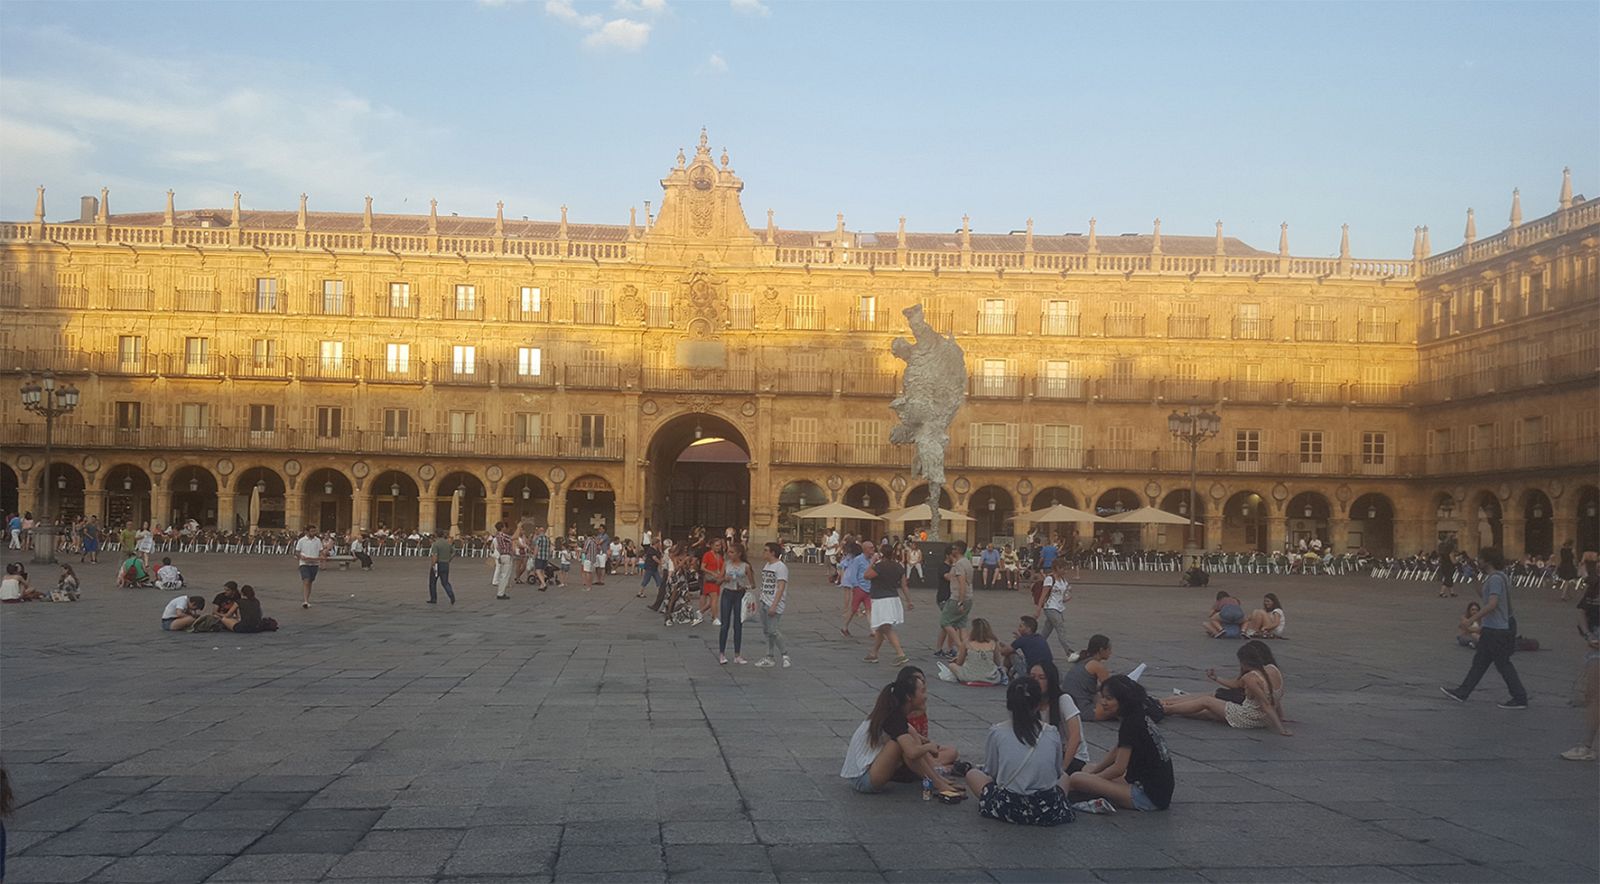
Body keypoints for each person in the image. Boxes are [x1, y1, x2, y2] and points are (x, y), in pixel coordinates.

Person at [963, 679, 1075, 826]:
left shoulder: (997, 732)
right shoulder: (1052, 732)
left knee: (972, 774)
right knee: (1066, 777)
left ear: (1009, 704)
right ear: (1038, 705)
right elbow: (1056, 772)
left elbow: (992, 771)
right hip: (1047, 809)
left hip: (1009, 807)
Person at [1066, 675, 1175, 812]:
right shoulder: (1139, 715)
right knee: (1087, 768)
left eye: (1109, 699)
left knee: (1077, 779)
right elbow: (1117, 750)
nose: (1103, 702)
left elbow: (1119, 768)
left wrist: (1094, 779)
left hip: (1146, 797)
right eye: (1103, 697)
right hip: (1155, 791)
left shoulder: (1130, 724)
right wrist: (1095, 771)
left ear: (1123, 701)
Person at [838, 679, 964, 798]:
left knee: (908, 742)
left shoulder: (894, 714)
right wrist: (929, 747)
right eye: (922, 691)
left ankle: (939, 781)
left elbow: (915, 741)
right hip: (863, 779)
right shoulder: (894, 717)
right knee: (902, 745)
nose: (926, 696)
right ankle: (939, 783)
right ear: (909, 697)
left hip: (864, 774)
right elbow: (912, 752)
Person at [1442, 547, 1528, 709]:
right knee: (1480, 663)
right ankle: (1462, 692)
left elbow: (1492, 604)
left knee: (1502, 665)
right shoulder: (1498, 577)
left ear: (1487, 560)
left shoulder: (1495, 579)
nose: (1478, 561)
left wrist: (1471, 620)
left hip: (1496, 629)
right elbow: (1485, 596)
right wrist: (1474, 578)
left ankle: (1520, 698)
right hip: (1493, 628)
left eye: (1480, 559)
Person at [1161, 641, 1292, 736]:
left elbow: (1266, 704)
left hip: (1248, 716)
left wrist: (1281, 729)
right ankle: (1170, 707)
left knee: (1206, 701)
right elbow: (1276, 700)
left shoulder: (1251, 678)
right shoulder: (1274, 670)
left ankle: (1166, 709)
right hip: (1263, 720)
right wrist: (1280, 716)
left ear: (1245, 661)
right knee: (1207, 713)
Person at [1562, 554, 1599, 761]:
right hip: (1595, 641)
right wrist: (1587, 634)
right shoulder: (1594, 587)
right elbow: (1581, 611)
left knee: (1594, 696)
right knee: (1593, 695)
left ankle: (1587, 747)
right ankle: (1587, 746)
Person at [1032, 660, 1090, 773]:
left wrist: (1063, 768)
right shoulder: (1031, 702)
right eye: (1032, 677)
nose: (1036, 681)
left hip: (1072, 757)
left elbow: (1075, 736)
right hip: (1047, 754)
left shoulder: (1063, 700)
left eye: (1041, 678)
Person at [864, 541, 912, 667]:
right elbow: (904, 586)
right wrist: (909, 601)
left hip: (881, 599)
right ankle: (874, 653)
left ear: (881, 554)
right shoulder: (899, 567)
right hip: (893, 598)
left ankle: (900, 653)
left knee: (886, 628)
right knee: (881, 628)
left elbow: (866, 575)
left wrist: (872, 562)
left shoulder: (879, 566)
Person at [755, 541, 790, 669]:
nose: (763, 553)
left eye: (765, 550)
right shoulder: (767, 565)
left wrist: (774, 605)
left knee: (773, 630)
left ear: (773, 553)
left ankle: (785, 654)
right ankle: (769, 656)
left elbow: (781, 587)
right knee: (767, 631)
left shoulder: (780, 567)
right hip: (764, 600)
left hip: (774, 602)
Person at [1063, 634, 1114, 721]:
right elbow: (1112, 690)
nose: (1111, 652)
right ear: (1101, 650)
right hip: (1083, 710)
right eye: (1109, 649)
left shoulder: (1083, 661)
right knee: (1116, 706)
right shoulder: (1096, 665)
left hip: (1069, 707)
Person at [937, 617, 1003, 684]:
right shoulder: (993, 643)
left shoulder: (967, 642)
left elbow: (959, 662)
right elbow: (998, 662)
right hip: (990, 678)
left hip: (969, 676)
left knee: (952, 665)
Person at [717, 542, 753, 665]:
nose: (729, 554)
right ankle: (722, 653)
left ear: (739, 554)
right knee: (725, 624)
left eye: (732, 552)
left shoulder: (746, 566)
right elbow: (718, 581)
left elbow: (753, 584)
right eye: (729, 552)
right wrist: (723, 579)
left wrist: (744, 586)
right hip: (727, 593)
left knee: (738, 624)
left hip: (739, 594)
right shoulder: (726, 564)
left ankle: (737, 654)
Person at [1033, 561, 1074, 657]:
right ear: (1057, 568)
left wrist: (1066, 598)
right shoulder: (1049, 579)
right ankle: (1069, 652)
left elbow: (1061, 596)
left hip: (1059, 607)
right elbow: (1043, 595)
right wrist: (1038, 609)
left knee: (1045, 632)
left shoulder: (1063, 580)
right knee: (1060, 628)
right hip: (1050, 607)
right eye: (1063, 568)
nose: (1065, 571)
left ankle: (1035, 647)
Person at [998, 616, 1052, 681]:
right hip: (1047, 670)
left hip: (1031, 672)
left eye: (1021, 626)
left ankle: (1006, 674)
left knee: (1011, 654)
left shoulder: (1023, 640)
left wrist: (995, 646)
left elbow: (1003, 652)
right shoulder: (1039, 637)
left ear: (1028, 629)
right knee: (1020, 656)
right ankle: (1010, 674)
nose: (1018, 629)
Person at [839, 541, 872, 637]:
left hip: (868, 587)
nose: (873, 550)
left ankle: (873, 630)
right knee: (853, 609)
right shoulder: (858, 560)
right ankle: (844, 627)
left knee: (869, 609)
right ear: (865, 549)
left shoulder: (870, 560)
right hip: (859, 587)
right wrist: (856, 585)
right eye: (871, 548)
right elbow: (853, 573)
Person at [294, 524, 327, 609]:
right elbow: (297, 552)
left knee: (310, 581)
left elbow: (321, 551)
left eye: (314, 531)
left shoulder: (318, 541)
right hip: (304, 563)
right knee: (306, 580)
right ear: (307, 532)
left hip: (314, 563)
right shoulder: (301, 541)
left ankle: (307, 599)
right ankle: (305, 601)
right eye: (312, 531)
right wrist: (302, 557)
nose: (314, 533)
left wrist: (323, 555)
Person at [700, 537, 725, 626]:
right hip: (710, 580)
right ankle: (715, 618)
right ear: (711, 546)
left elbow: (723, 567)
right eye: (717, 546)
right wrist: (712, 573)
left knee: (713, 601)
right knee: (714, 599)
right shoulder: (707, 555)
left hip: (717, 580)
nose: (719, 547)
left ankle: (701, 611)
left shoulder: (720, 556)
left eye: (720, 546)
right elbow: (702, 567)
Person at [428, 533, 456, 605]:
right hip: (446, 564)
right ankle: (451, 595)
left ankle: (433, 598)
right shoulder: (447, 543)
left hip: (438, 564)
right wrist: (449, 559)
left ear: (436, 536)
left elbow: (434, 556)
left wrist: (433, 565)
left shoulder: (436, 544)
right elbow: (454, 552)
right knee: (445, 582)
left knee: (432, 582)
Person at [490, 521, 515, 600]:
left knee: (503, 574)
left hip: (502, 555)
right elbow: (513, 538)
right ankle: (501, 593)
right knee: (505, 575)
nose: (506, 528)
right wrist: (518, 527)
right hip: (506, 555)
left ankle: (501, 592)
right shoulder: (502, 535)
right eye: (504, 527)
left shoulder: (497, 536)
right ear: (502, 528)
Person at [640, 541, 666, 608]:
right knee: (646, 579)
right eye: (659, 543)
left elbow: (661, 555)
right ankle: (640, 592)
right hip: (649, 567)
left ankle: (659, 593)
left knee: (659, 580)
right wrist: (661, 563)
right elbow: (654, 558)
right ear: (656, 543)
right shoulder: (651, 549)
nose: (660, 544)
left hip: (654, 568)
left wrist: (660, 550)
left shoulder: (657, 550)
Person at [1437, 533, 1459, 598]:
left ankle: (1452, 592)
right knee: (1448, 579)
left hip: (1443, 565)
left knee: (1449, 578)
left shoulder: (1443, 549)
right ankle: (1442, 592)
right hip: (1449, 566)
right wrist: (1457, 560)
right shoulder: (1450, 550)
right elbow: (1453, 560)